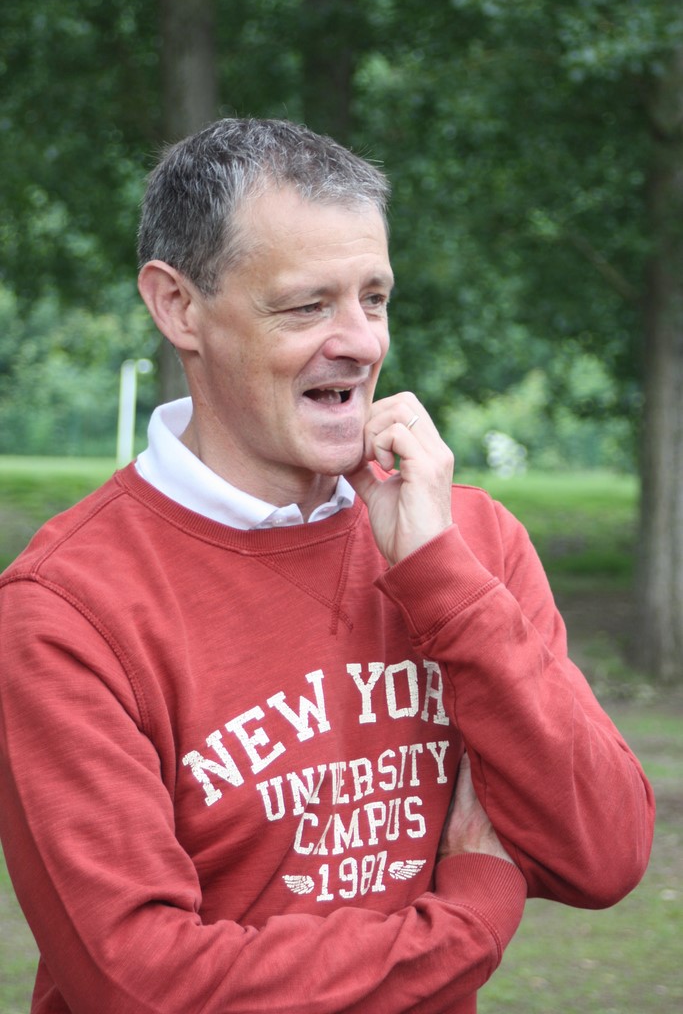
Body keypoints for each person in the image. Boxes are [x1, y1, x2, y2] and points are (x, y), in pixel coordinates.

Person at [0, 118, 654, 1014]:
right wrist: (467, 920)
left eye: (373, 299)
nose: (360, 342)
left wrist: (442, 580)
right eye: (306, 306)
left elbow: (604, 854)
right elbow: (143, 986)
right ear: (178, 307)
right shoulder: (63, 609)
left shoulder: (469, 540)